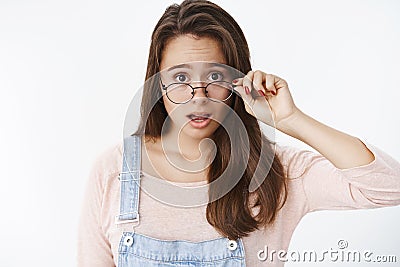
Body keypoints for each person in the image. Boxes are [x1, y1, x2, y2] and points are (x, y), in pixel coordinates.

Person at [77, 0, 400, 266]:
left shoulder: (278, 171)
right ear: (158, 84)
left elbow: (389, 188)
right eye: (179, 78)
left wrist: (290, 118)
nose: (199, 95)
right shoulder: (115, 168)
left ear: (238, 82)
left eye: (215, 75)